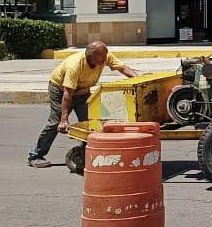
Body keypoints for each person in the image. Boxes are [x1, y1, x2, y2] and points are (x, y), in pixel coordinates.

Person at [30, 40, 137, 168]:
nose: (105, 58)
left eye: (105, 54)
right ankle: (35, 155)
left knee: (91, 122)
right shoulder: (74, 66)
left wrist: (139, 79)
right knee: (55, 122)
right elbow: (67, 94)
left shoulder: (104, 56)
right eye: (102, 55)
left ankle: (85, 152)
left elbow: (123, 68)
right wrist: (64, 119)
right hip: (61, 91)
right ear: (91, 56)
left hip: (82, 91)